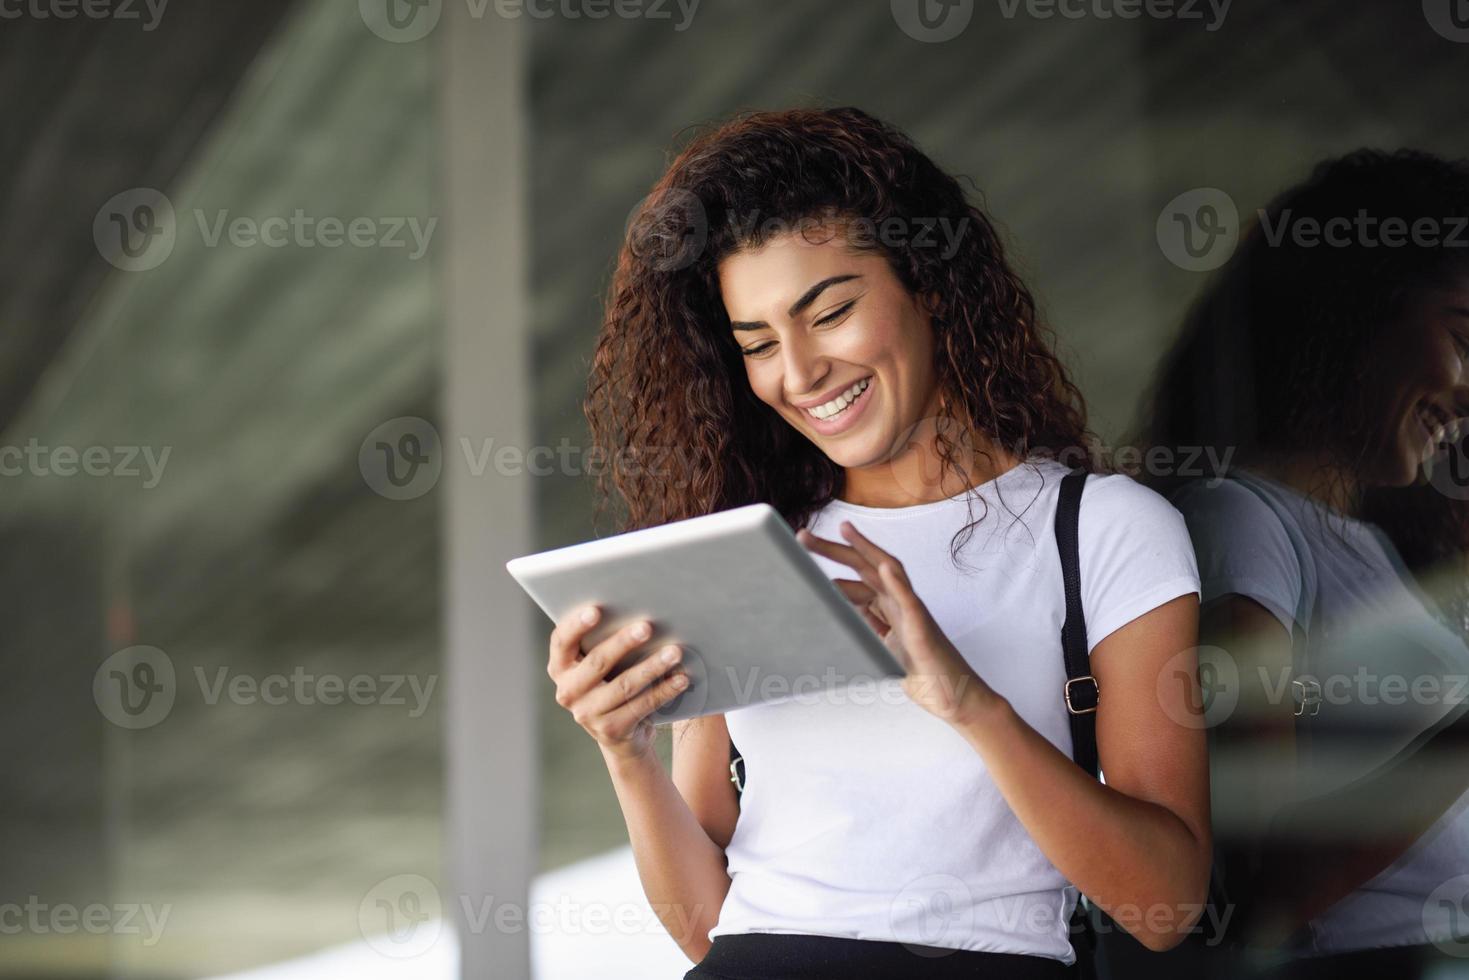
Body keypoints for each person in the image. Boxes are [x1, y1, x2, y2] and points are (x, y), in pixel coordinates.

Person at [545, 106, 1211, 979]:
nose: (798, 372)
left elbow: (1164, 904)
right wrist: (624, 753)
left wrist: (966, 700)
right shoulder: (754, 546)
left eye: (830, 313)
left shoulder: (1102, 529)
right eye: (757, 343)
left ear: (929, 285)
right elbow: (708, 930)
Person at [1136, 148, 1469, 979]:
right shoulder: (1235, 518)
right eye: (1462, 337)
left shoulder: (1369, 546)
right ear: (1355, 312)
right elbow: (1261, 881)